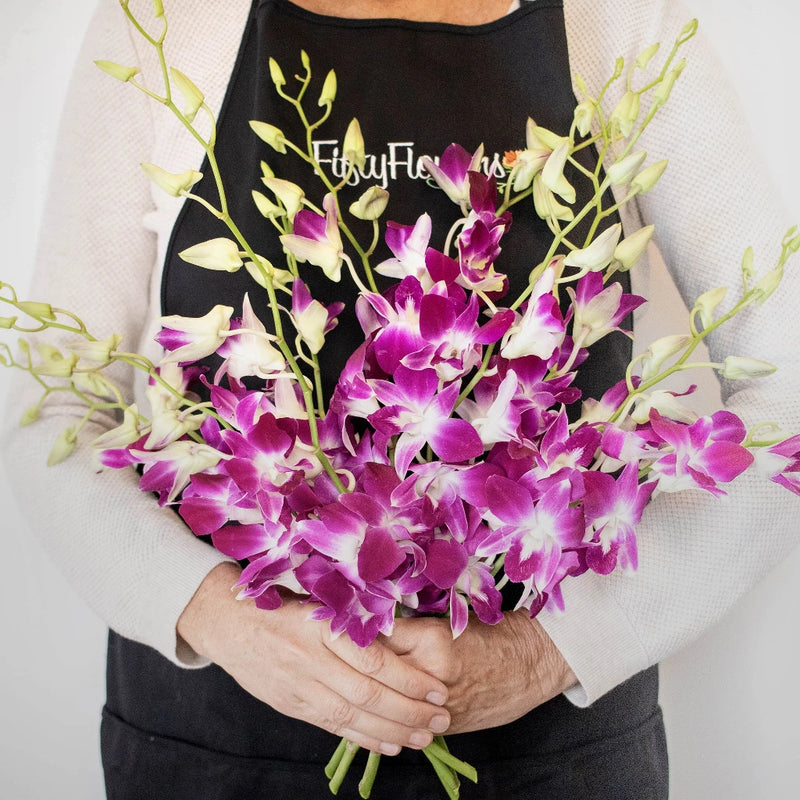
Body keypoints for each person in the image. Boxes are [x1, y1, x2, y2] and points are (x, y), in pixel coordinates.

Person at [2, 0, 798, 797]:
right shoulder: (164, 23)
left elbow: (788, 391)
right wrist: (211, 613)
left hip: (549, 736)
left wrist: (552, 649)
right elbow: (48, 401)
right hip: (223, 728)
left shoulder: (623, 25)